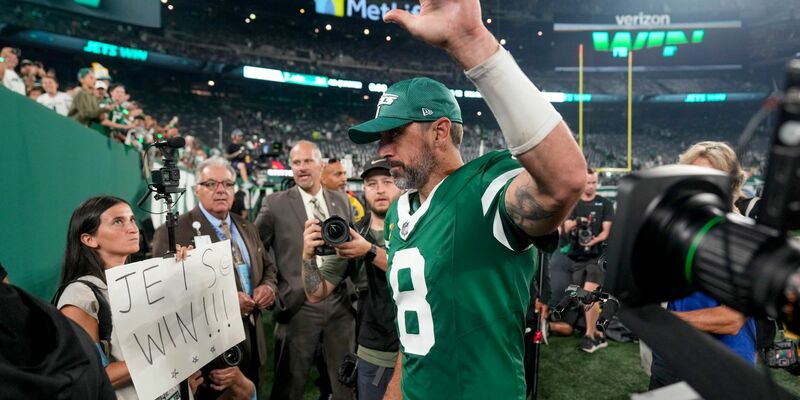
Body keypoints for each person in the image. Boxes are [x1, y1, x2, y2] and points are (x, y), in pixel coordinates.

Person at [346, 1, 586, 398]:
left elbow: (565, 180)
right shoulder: (398, 213)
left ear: (440, 132)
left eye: (394, 135)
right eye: (380, 139)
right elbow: (420, 325)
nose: (382, 150)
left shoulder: (485, 188)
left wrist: (472, 43)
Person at [152, 157, 278, 396]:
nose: (221, 190)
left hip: (252, 341)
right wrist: (227, 304)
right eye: (211, 184)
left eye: (228, 184)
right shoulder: (175, 231)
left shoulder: (247, 226)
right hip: (210, 356)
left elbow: (269, 269)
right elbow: (166, 296)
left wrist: (268, 288)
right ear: (197, 189)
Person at [54, 196, 187, 399]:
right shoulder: (81, 295)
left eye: (132, 219)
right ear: (89, 239)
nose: (133, 228)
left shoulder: (144, 278)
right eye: (118, 222)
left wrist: (186, 272)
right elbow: (90, 375)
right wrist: (167, 351)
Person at [648, 141, 757, 389]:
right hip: (673, 358)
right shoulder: (685, 228)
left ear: (731, 183)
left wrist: (664, 321)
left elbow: (731, 320)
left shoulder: (742, 236)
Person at [255, 140, 356, 400]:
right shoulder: (274, 204)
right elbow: (256, 249)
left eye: (307, 161)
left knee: (345, 385)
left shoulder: (342, 200)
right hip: (298, 306)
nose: (301, 168)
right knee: (289, 387)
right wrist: (271, 284)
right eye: (296, 162)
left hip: (339, 305)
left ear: (320, 165)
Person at [301, 158, 400, 400]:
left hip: (419, 351)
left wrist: (369, 250)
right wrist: (307, 256)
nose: (379, 189)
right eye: (371, 183)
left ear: (400, 185)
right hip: (373, 351)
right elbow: (316, 293)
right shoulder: (352, 235)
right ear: (363, 190)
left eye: (387, 181)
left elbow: (422, 271)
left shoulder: (417, 227)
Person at [562, 168, 614, 353]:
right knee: (583, 298)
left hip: (597, 258)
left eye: (594, 182)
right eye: (588, 182)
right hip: (577, 258)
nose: (591, 186)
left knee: (588, 294)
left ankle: (589, 336)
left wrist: (594, 240)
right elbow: (565, 227)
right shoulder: (573, 204)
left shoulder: (605, 203)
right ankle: (599, 334)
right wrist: (578, 222)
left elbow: (606, 232)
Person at [322, 157, 366, 222]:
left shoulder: (354, 203)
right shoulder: (314, 203)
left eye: (344, 174)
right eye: (338, 174)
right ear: (323, 179)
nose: (344, 178)